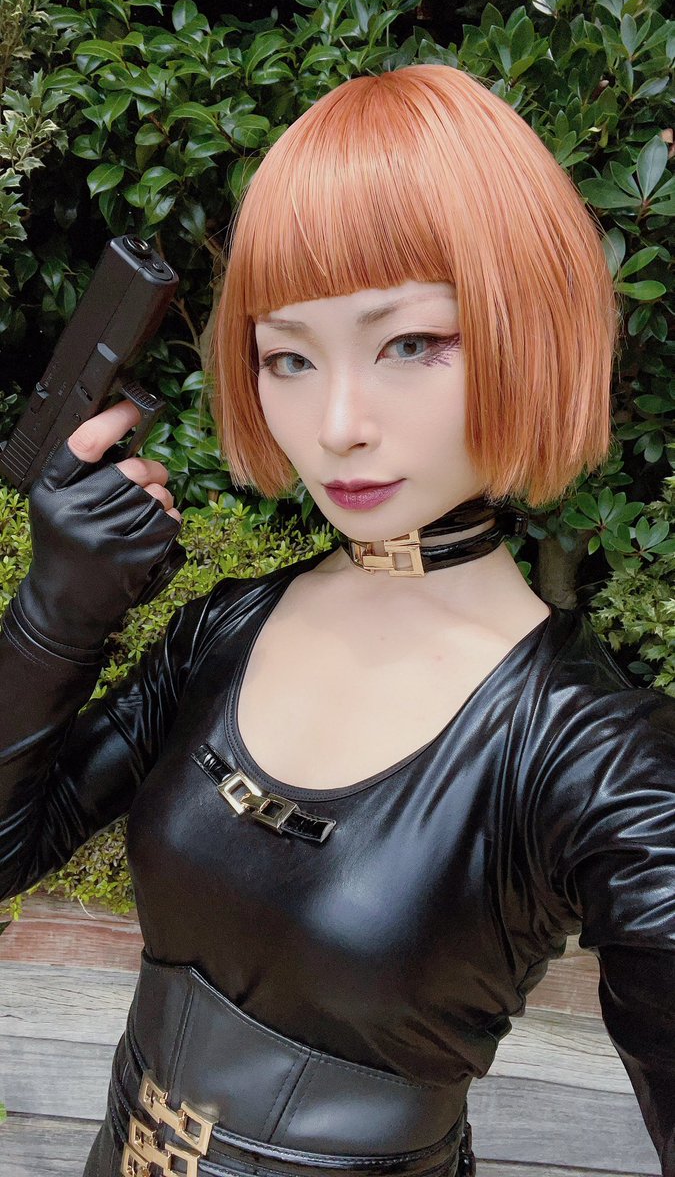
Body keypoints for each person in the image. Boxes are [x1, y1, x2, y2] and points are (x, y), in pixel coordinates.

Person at [0, 63, 674, 1177]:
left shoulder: (595, 757)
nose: (337, 423)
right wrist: (56, 610)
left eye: (410, 343)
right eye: (289, 358)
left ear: (531, 330)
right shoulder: (226, 631)